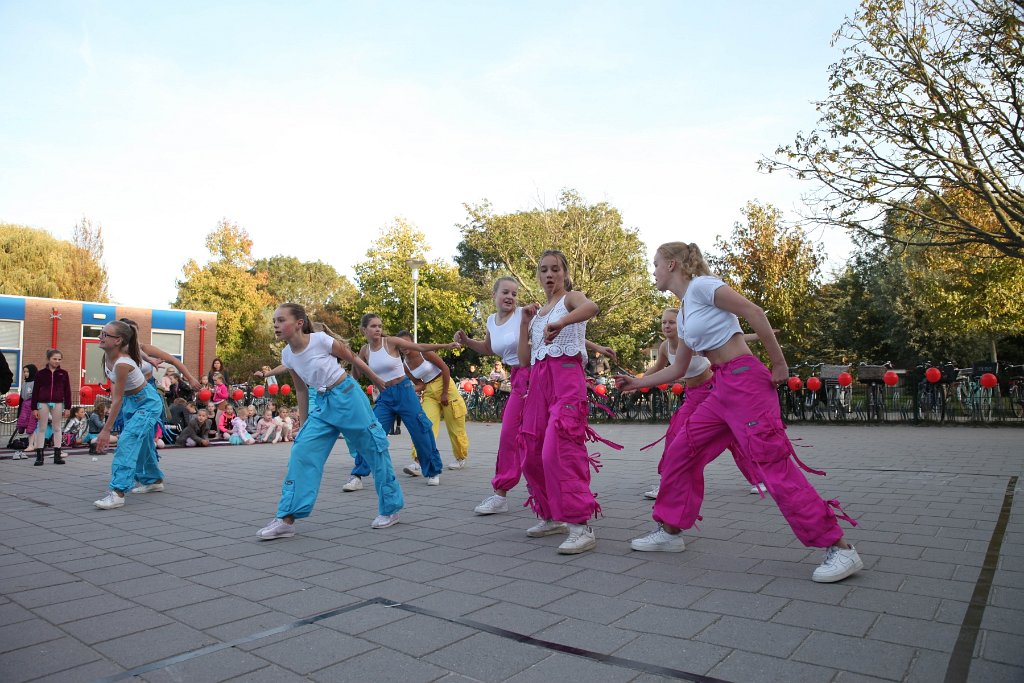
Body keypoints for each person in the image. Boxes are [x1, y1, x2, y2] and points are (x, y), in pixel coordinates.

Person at [616, 242, 862, 583]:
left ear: (672, 264)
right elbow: (678, 370)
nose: (652, 270)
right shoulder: (685, 312)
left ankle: (840, 549)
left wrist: (780, 364)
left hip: (746, 382)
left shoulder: (703, 286)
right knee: (680, 450)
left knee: (773, 465)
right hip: (721, 389)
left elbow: (754, 312)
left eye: (655, 263)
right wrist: (636, 382)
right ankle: (670, 532)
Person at [455, 276, 618, 516]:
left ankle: (545, 500)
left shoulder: (526, 314)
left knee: (531, 439)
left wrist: (596, 348)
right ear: (494, 295)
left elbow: (557, 329)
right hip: (517, 378)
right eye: (505, 293)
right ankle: (509, 494)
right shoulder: (491, 321)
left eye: (514, 293)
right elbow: (489, 348)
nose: (510, 297)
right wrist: (468, 341)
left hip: (536, 374)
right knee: (511, 437)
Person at [257, 303, 404, 539]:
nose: (275, 324)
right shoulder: (287, 355)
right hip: (323, 404)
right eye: (274, 320)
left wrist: (375, 379)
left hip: (348, 397)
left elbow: (353, 357)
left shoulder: (320, 340)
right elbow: (302, 391)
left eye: (281, 319)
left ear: (299, 323)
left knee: (375, 449)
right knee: (302, 451)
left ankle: (391, 509)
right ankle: (286, 518)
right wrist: (303, 425)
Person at [517, 250, 620, 554]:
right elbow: (524, 359)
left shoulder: (571, 298)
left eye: (555, 269)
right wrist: (525, 324)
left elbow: (592, 307)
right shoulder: (537, 314)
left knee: (559, 449)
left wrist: (561, 322)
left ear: (564, 273)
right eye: (543, 270)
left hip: (566, 379)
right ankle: (552, 516)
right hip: (538, 382)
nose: (549, 275)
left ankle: (580, 525)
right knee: (531, 450)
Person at [641, 307, 766, 499]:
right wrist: (636, 382)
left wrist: (758, 335)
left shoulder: (693, 340)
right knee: (674, 435)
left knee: (732, 440)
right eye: (664, 322)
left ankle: (759, 479)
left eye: (671, 322)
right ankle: (667, 483)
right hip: (692, 396)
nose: (666, 326)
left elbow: (727, 338)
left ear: (681, 324)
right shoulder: (664, 347)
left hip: (713, 392)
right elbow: (658, 367)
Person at [352, 313, 460, 486]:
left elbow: (419, 347)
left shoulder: (392, 342)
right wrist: (352, 360)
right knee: (372, 432)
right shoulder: (365, 350)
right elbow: (355, 374)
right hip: (385, 396)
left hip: (404, 392)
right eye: (373, 326)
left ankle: (432, 471)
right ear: (363, 330)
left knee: (421, 430)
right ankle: (357, 476)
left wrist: (447, 345)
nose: (378, 329)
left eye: (380, 325)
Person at [93, 320, 166, 509]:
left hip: (147, 403)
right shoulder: (108, 358)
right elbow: (118, 396)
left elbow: (116, 399)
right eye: (101, 332)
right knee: (142, 444)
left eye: (105, 334)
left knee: (126, 441)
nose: (100, 336)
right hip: (131, 403)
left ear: (118, 340)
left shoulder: (122, 363)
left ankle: (117, 492)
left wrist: (105, 431)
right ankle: (154, 480)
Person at [394, 329, 469, 473]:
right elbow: (420, 384)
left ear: (412, 342)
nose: (404, 347)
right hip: (429, 391)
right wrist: (407, 390)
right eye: (401, 344)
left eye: (406, 343)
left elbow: (445, 369)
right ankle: (418, 461)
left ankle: (460, 457)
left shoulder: (424, 352)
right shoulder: (405, 365)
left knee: (455, 425)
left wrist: (445, 393)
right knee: (424, 425)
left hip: (445, 385)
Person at [30, 349, 72, 466]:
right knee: (41, 428)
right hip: (43, 403)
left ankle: (57, 455)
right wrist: (34, 408)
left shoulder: (63, 373)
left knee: (57, 428)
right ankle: (39, 456)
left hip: (58, 403)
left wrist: (68, 407)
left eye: (59, 359)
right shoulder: (40, 373)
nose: (57, 361)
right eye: (54, 359)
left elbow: (67, 391)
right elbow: (35, 391)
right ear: (48, 359)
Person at [12, 365, 38, 459]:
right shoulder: (24, 383)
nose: (26, 374)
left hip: (32, 407)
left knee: (31, 426)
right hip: (25, 407)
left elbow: (36, 396)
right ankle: (32, 443)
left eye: (27, 372)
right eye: (24, 372)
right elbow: (21, 399)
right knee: (23, 425)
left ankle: (32, 444)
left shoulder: (35, 383)